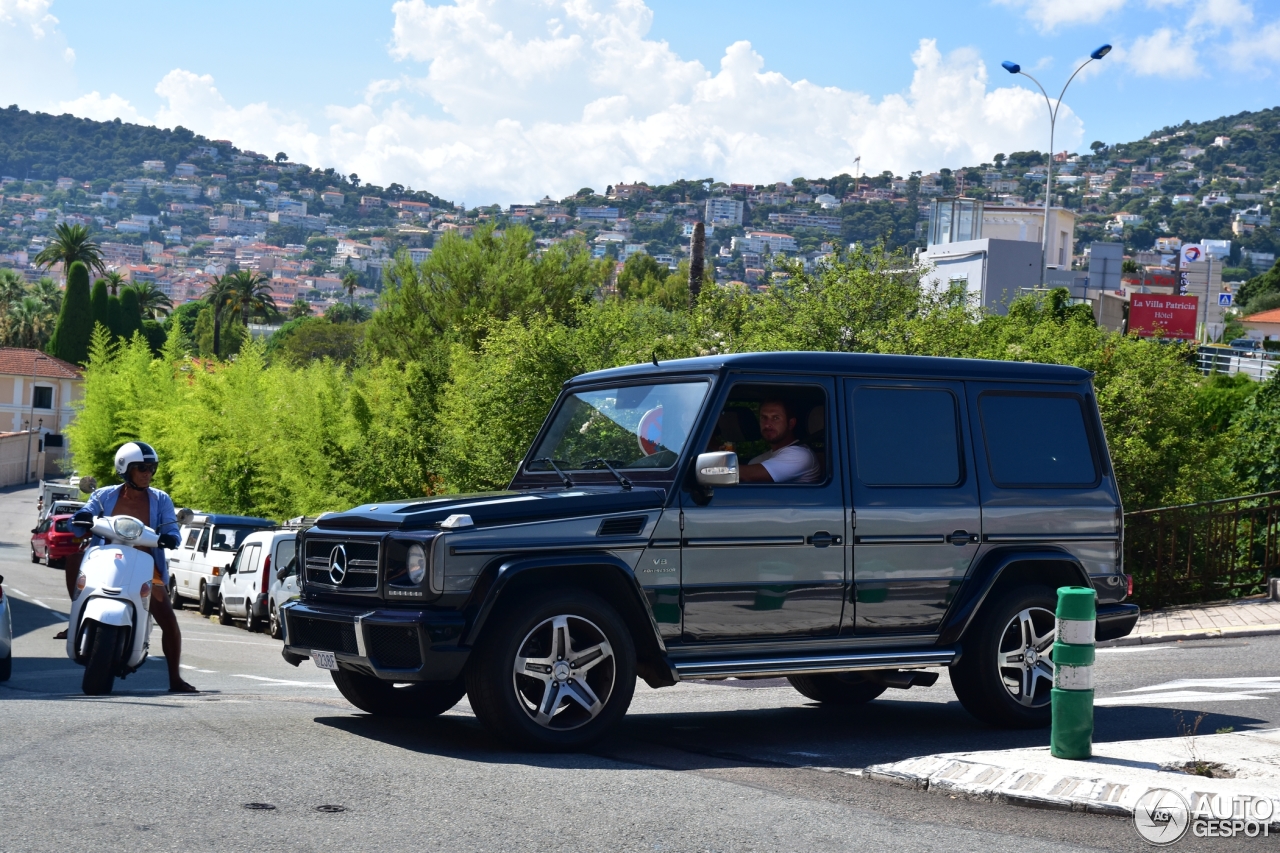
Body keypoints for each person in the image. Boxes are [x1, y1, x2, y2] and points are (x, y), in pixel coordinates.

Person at [58, 442, 197, 693]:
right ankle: (78, 614)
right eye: (142, 468)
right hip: (105, 560)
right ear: (124, 468)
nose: (148, 473)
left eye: (152, 468)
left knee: (168, 619)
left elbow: (169, 526)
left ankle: (175, 679)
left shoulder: (161, 499)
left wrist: (171, 536)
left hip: (145, 565)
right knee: (74, 561)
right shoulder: (103, 495)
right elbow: (86, 514)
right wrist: (79, 520)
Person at [738, 399, 821, 484]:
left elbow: (746, 475)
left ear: (791, 423)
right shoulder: (757, 460)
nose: (767, 424)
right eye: (764, 418)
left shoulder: (800, 455)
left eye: (775, 418)